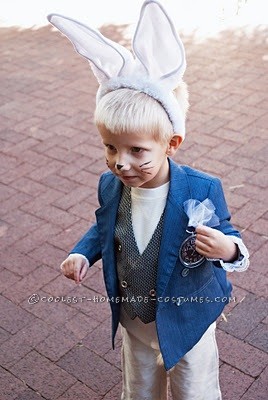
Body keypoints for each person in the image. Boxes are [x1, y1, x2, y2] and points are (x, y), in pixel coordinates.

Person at [48, 1, 249, 399]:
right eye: (110, 147)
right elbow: (106, 224)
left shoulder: (202, 187)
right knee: (139, 387)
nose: (120, 163)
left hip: (188, 317)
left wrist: (226, 249)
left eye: (137, 150)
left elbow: (232, 236)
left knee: (195, 389)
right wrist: (83, 253)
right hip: (135, 319)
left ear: (171, 143)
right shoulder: (111, 184)